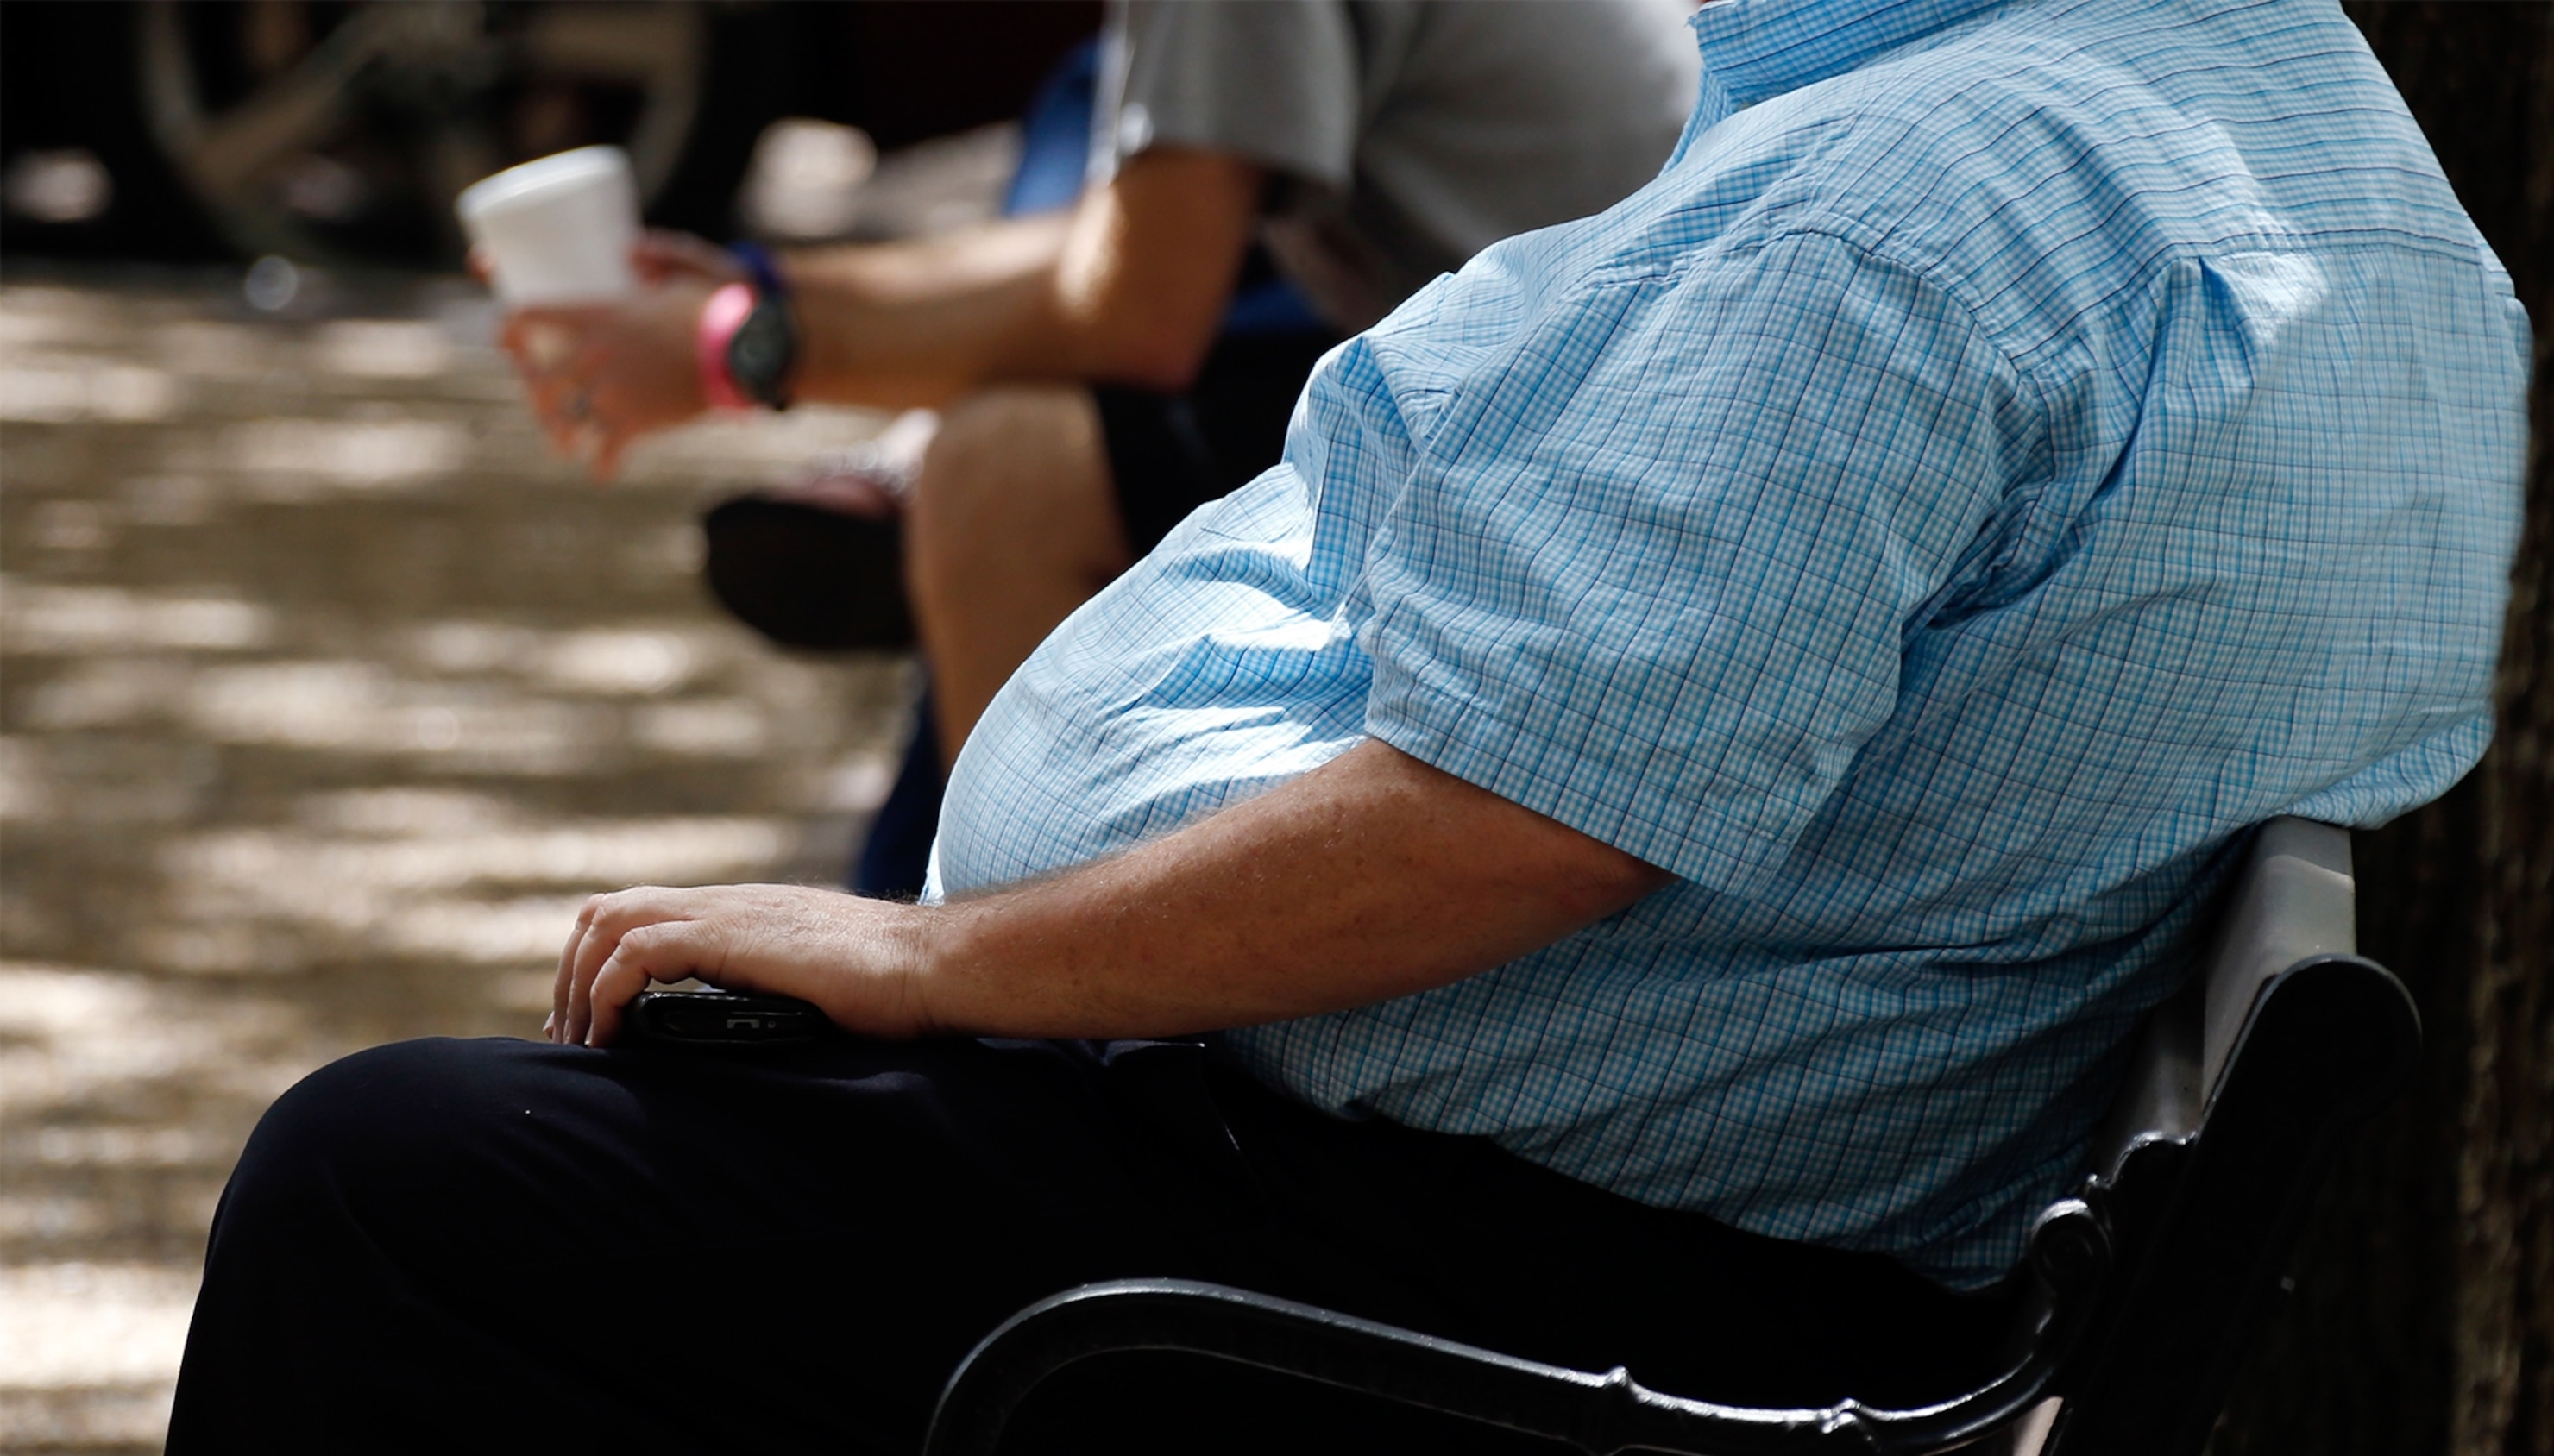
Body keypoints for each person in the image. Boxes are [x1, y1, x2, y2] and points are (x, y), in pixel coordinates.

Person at [88, 0, 2526, 1456]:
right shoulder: (2345, 171)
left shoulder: (1923, 209)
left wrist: (942, 957)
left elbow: (1524, 817)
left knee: (410, 1199)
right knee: (630, 1175)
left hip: (1561, 1353)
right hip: (1756, 1296)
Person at [505, 0, 1701, 893]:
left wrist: (744, 346)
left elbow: (1138, 311)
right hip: (1582, 396)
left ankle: (1020, 1044)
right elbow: (1121, 240)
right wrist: (769, 300)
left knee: (1014, 467)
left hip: (1600, 453)